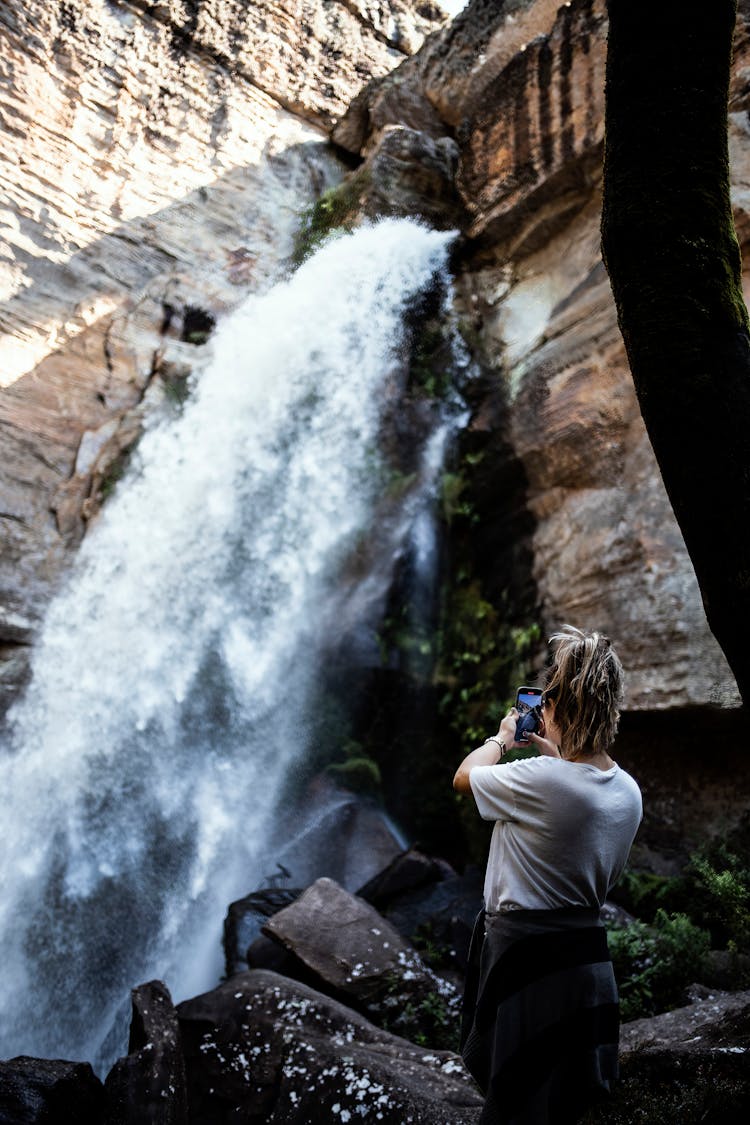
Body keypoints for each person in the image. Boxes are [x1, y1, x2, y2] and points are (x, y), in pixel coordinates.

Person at [453, 625, 642, 1125]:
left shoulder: (540, 779)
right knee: (564, 1106)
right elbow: (577, 796)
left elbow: (464, 777)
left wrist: (502, 737)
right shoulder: (627, 791)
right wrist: (552, 755)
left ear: (559, 706)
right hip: (585, 964)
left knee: (519, 1104)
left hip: (527, 963)